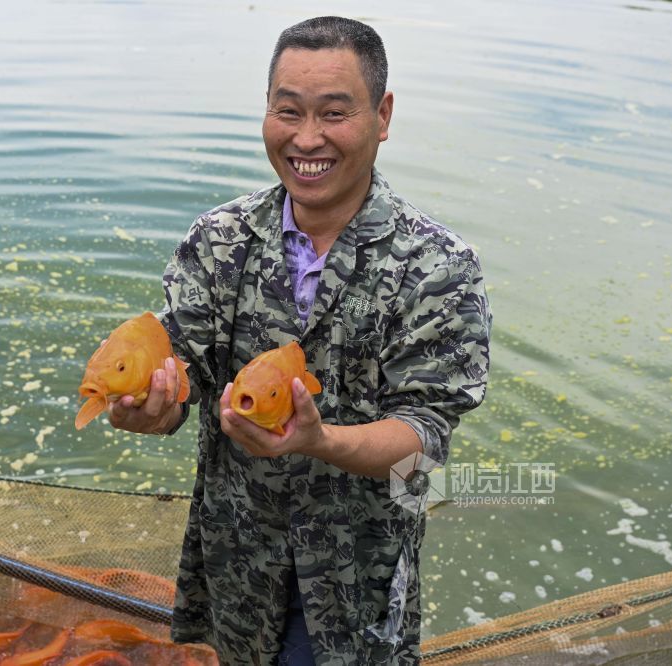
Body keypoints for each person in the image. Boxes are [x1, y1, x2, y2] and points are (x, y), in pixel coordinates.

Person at [107, 16, 491, 666]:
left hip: (356, 578)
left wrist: (321, 441)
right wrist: (148, 405)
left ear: (382, 114)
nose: (306, 138)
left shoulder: (437, 265)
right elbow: (183, 375)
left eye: (334, 113)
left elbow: (423, 441)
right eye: (288, 111)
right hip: (237, 562)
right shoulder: (219, 240)